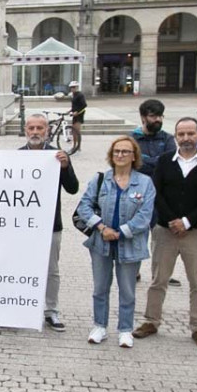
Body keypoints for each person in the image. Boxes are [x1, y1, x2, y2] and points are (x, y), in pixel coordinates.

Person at [133, 118, 197, 348]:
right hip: (165, 230)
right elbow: (156, 191)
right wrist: (172, 220)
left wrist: (188, 221)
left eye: (190, 133)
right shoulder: (165, 161)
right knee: (158, 280)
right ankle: (151, 321)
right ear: (176, 136)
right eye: (181, 134)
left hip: (196, 232)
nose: (186, 138)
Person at [76, 136, 155, 348]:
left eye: (125, 152)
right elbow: (84, 206)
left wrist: (121, 232)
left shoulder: (145, 183)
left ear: (134, 156)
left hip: (130, 244)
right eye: (116, 151)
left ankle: (125, 329)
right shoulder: (101, 179)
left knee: (127, 289)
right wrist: (101, 227)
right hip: (101, 242)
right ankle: (99, 326)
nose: (120, 155)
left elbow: (145, 215)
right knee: (100, 287)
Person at [19, 114, 79, 332]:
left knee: (51, 270)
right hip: (21, 225)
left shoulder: (57, 156)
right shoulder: (16, 156)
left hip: (50, 224)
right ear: (25, 130)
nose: (35, 132)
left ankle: (51, 311)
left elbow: (72, 188)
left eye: (40, 128)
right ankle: (19, 308)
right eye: (31, 128)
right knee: (20, 266)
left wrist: (65, 167)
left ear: (47, 131)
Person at [132, 99, 178, 285]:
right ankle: (133, 270)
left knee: (160, 238)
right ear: (143, 117)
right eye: (153, 116)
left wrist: (145, 160)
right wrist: (156, 161)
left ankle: (160, 274)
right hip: (137, 195)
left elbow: (171, 162)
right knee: (136, 235)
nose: (157, 119)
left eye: (160, 116)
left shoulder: (167, 139)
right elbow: (133, 163)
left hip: (162, 196)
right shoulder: (132, 139)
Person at [68, 81, 86, 153]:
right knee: (73, 131)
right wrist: (70, 111)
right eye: (71, 87)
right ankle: (74, 145)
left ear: (76, 87)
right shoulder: (74, 95)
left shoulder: (80, 95)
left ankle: (78, 146)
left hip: (79, 115)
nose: (72, 89)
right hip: (74, 114)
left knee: (77, 131)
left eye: (73, 87)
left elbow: (84, 105)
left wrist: (77, 112)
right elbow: (74, 105)